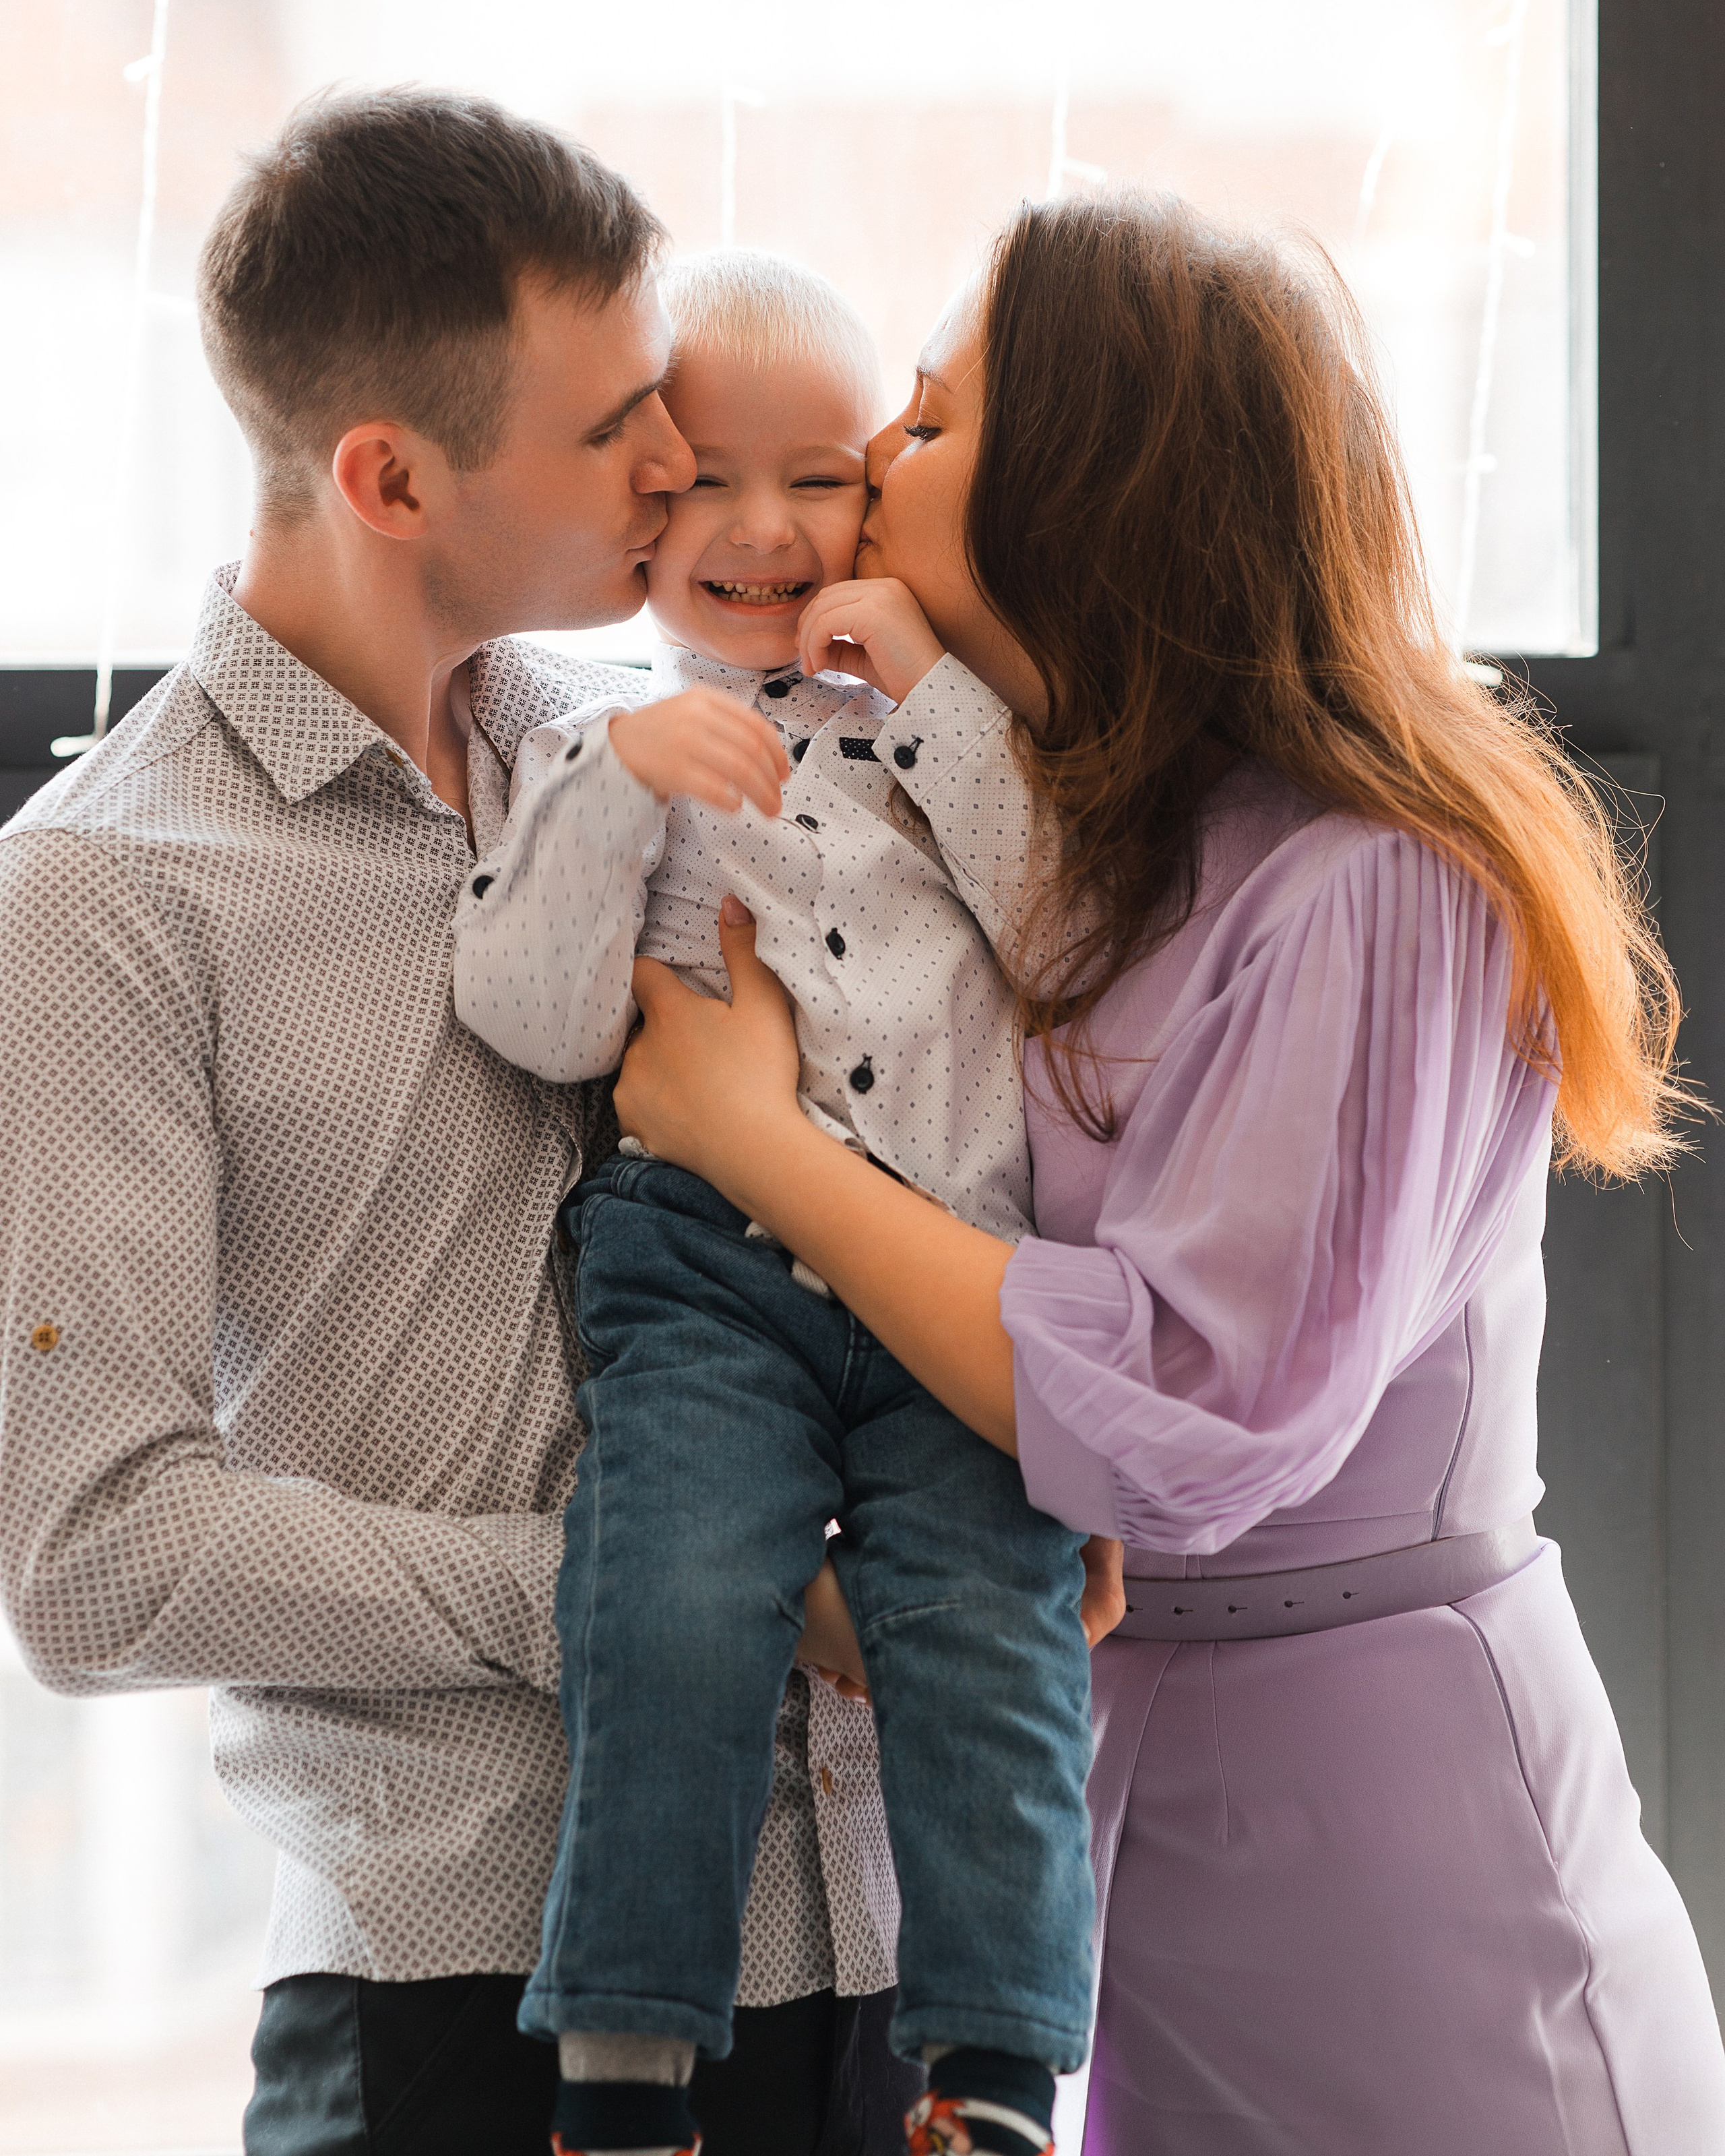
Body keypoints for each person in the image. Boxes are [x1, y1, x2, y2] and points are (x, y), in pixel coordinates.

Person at [606, 191, 1725, 2153]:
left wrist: (756, 1143)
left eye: (930, 426)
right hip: (1123, 1781)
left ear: (1090, 498)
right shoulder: (1059, 827)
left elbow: (1191, 1404)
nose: (871, 466)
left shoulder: (1380, 877)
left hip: (1388, 1841)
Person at [0, 90, 914, 2156]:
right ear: (390, 475)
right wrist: (634, 1587)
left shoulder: (650, 753)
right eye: (615, 430)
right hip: (452, 1996)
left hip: (867, 1947)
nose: (678, 464)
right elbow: (96, 1552)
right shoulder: (104, 891)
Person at [453, 248, 1098, 2156]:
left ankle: (993, 2076)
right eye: (704, 481)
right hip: (703, 1273)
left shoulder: (958, 717)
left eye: (816, 473)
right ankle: (629, 2065)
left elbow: (1069, 939)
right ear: (643, 508)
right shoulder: (593, 746)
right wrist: (616, 791)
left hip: (948, 1270)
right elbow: (536, 1008)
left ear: (879, 495)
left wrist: (932, 704)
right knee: (663, 1595)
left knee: (994, 1631)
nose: (758, 525)